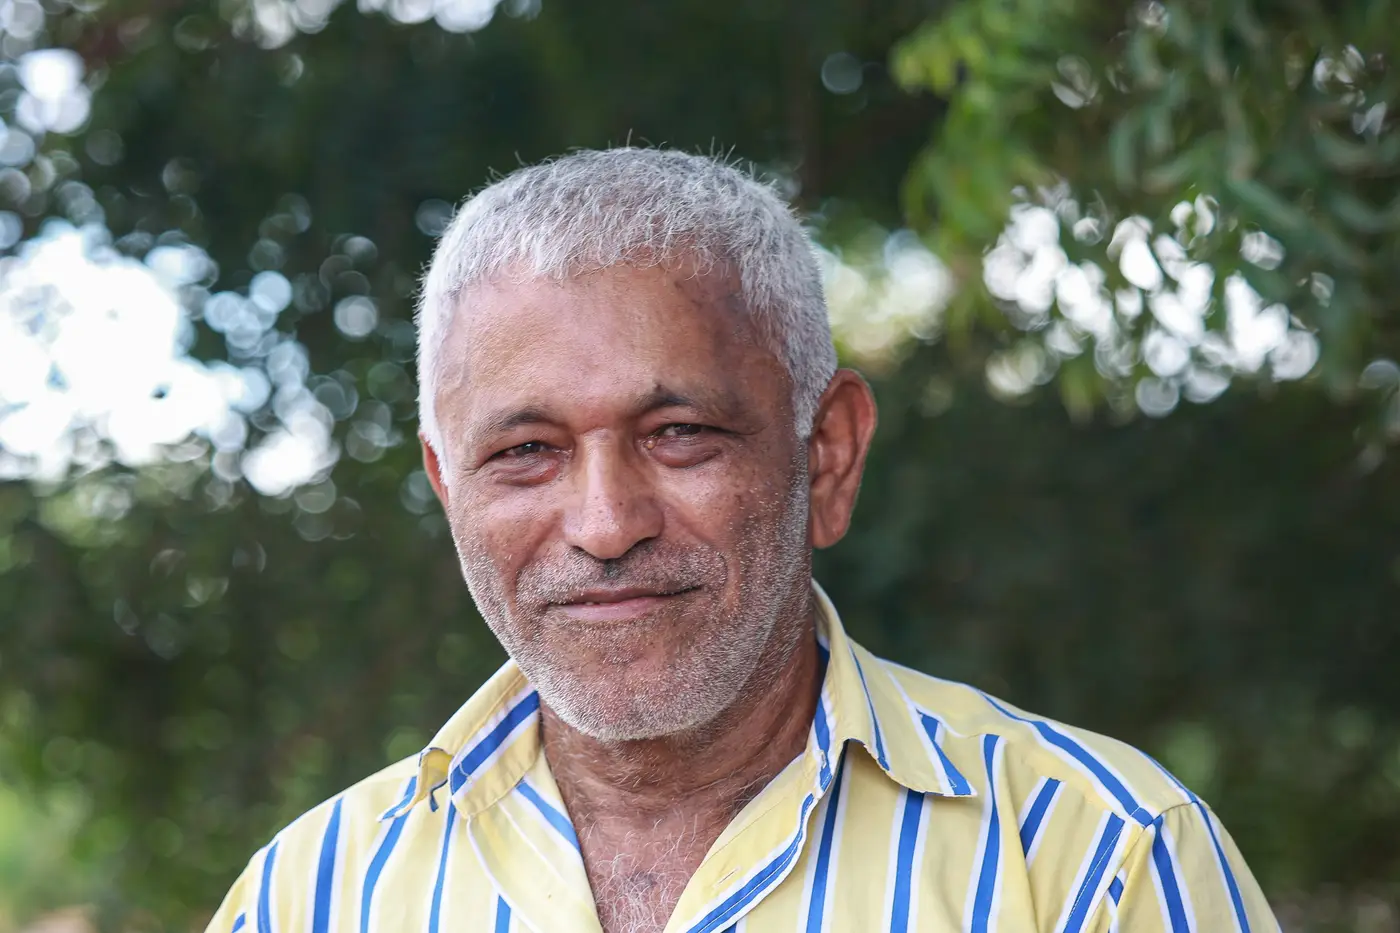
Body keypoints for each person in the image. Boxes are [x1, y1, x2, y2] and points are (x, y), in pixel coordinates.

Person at [206, 148, 1277, 933]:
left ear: (827, 455)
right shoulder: (311, 896)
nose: (605, 525)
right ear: (448, 487)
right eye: (525, 451)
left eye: (678, 434)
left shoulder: (1096, 860)